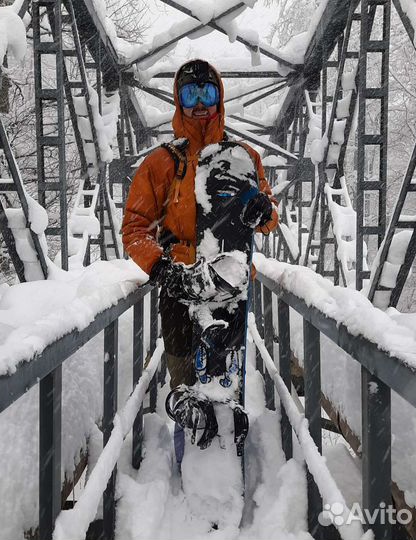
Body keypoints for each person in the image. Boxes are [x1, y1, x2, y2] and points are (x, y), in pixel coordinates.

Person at [122, 59, 279, 392]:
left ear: (218, 98)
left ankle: (225, 429)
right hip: (180, 287)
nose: (198, 104)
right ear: (178, 100)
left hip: (230, 286)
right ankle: (187, 418)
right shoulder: (161, 163)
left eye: (206, 93)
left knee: (225, 383)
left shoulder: (243, 157)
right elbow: (134, 230)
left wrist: (264, 210)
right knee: (186, 382)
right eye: (189, 94)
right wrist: (161, 268)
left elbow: (269, 221)